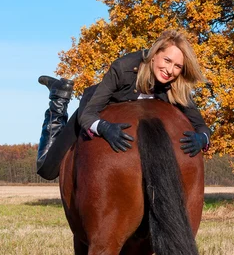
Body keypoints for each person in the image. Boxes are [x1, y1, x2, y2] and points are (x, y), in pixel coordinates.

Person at [36, 29, 211, 180]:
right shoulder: (123, 67)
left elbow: (201, 126)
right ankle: (58, 97)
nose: (170, 70)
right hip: (92, 106)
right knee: (48, 170)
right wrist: (103, 127)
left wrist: (201, 139)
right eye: (167, 60)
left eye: (177, 66)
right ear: (154, 54)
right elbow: (88, 114)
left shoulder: (176, 86)